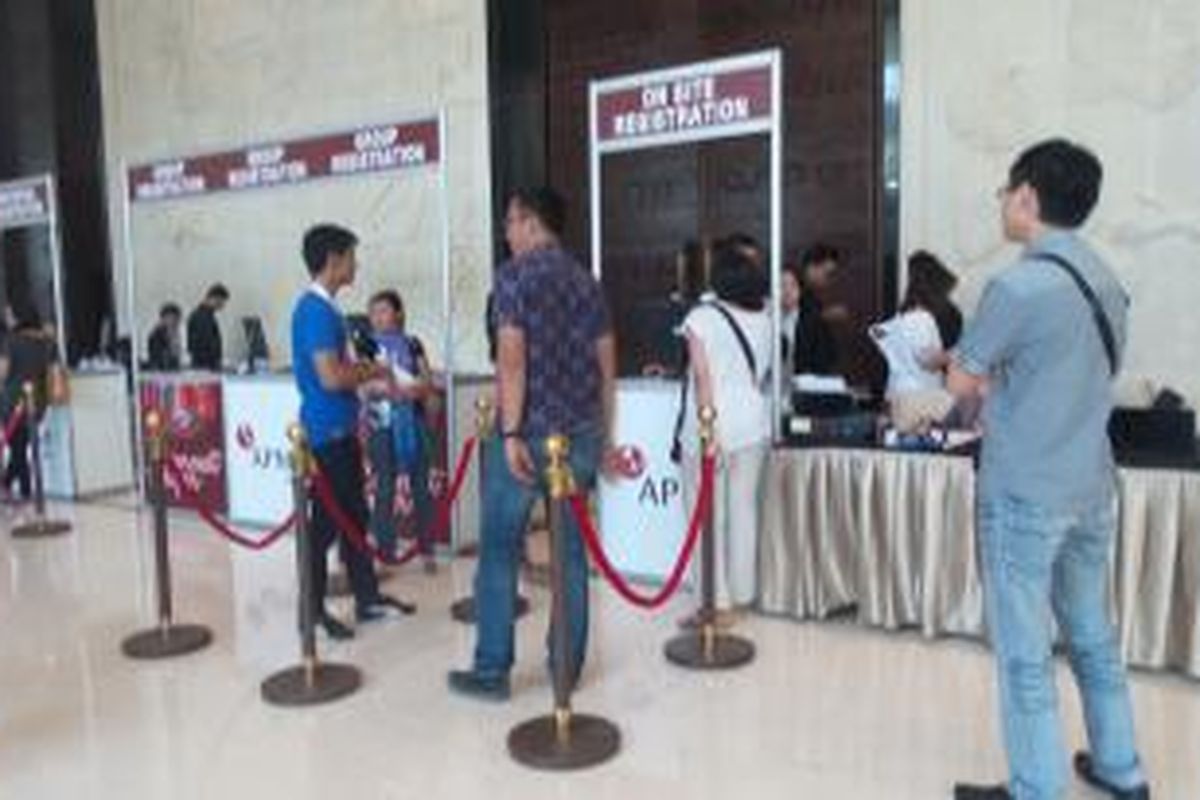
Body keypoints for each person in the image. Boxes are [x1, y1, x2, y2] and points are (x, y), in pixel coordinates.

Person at [949, 140, 1149, 800]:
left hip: (1025, 493)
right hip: (1091, 486)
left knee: (1026, 654)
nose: (1003, 202)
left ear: (1028, 197)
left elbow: (963, 378)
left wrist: (970, 367)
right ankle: (1122, 769)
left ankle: (1038, 787)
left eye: (1006, 190)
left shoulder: (1016, 285)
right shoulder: (1108, 282)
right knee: (1093, 636)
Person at [448, 187, 616, 700]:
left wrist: (513, 430)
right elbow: (607, 364)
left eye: (510, 222)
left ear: (530, 221)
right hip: (582, 433)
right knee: (569, 551)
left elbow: (512, 360)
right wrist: (605, 436)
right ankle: (565, 666)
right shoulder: (587, 283)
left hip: (528, 435)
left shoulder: (513, 279)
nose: (507, 233)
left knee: (499, 551)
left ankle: (492, 671)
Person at [291, 224, 412, 641]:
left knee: (355, 519)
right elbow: (330, 376)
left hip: (343, 431)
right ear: (333, 260)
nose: (355, 264)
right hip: (326, 435)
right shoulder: (315, 312)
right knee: (324, 525)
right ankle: (312, 612)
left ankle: (368, 599)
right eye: (350, 256)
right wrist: (375, 369)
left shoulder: (329, 311)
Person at [679, 240, 772, 623]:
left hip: (711, 424)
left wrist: (707, 428)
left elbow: (702, 377)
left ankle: (713, 602)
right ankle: (740, 595)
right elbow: (761, 373)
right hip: (752, 422)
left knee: (705, 517)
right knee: (744, 510)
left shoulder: (701, 317)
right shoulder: (764, 318)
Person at [364, 289, 435, 569]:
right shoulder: (366, 345)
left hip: (413, 423)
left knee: (421, 487)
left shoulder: (413, 343)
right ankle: (385, 551)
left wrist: (406, 392)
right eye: (373, 312)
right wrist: (388, 389)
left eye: (383, 310)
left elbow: (426, 382)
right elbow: (364, 386)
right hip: (381, 425)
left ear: (398, 313)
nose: (378, 317)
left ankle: (426, 549)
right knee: (384, 488)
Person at [870, 251, 962, 429]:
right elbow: (927, 361)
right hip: (921, 399)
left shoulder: (901, 316)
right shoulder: (926, 318)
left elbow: (883, 341)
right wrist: (956, 354)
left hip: (895, 393)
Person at [2, 308, 56, 501]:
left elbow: (3, 372)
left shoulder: (12, 341)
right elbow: (50, 369)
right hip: (37, 403)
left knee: (16, 447)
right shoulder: (45, 344)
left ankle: (11, 486)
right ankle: (23, 490)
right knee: (21, 446)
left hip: (13, 402)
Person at [793, 243, 848, 376]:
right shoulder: (794, 292)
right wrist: (824, 316)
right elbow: (795, 328)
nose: (830, 280)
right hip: (803, 375)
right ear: (811, 267)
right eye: (828, 274)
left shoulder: (812, 297)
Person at [186, 283, 229, 371]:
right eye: (221, 302)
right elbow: (206, 343)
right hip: (204, 366)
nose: (222, 306)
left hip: (204, 365)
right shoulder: (202, 317)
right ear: (214, 298)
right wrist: (215, 363)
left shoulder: (206, 315)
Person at [146, 303, 183, 371]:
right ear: (164, 318)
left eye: (177, 319)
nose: (175, 322)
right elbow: (160, 357)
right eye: (172, 318)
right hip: (163, 371)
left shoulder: (173, 332)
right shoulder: (157, 335)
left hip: (171, 369)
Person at [780, 263, 802, 368]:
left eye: (793, 285)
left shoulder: (808, 321)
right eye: (782, 285)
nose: (787, 291)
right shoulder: (764, 319)